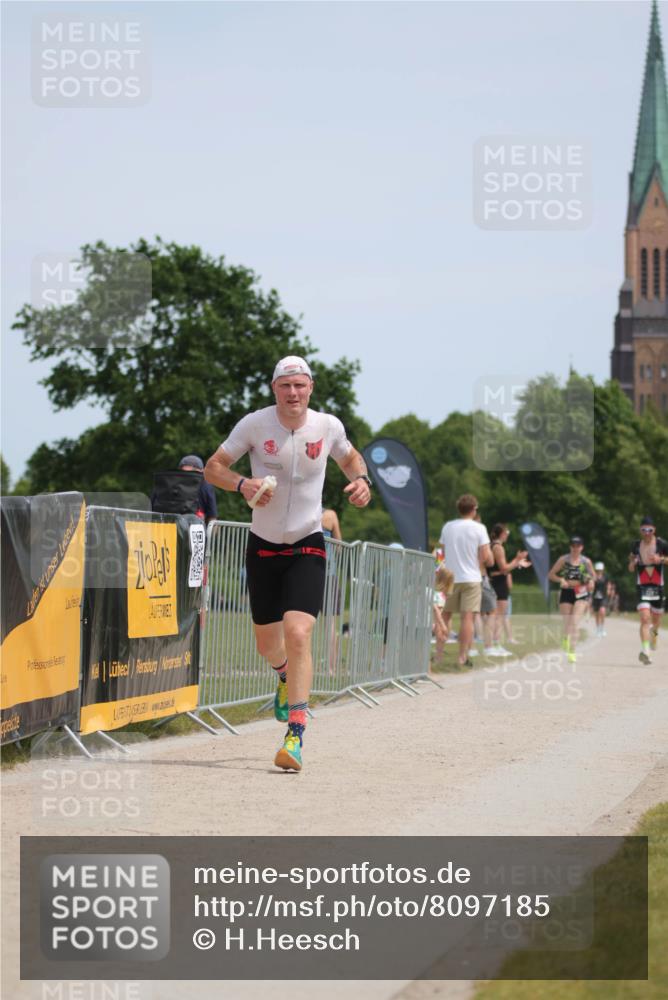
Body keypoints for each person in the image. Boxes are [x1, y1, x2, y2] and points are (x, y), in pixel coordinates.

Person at [204, 356, 371, 771]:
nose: (293, 393)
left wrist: (361, 481)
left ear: (310, 387)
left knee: (298, 633)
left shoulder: (327, 426)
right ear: (274, 389)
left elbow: (351, 459)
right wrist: (243, 483)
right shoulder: (254, 425)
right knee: (267, 644)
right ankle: (282, 675)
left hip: (307, 542)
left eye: (300, 385)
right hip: (262, 545)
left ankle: (295, 734)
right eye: (285, 386)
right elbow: (213, 468)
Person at [439, 494, 493, 667]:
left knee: (444, 616)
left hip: (450, 577)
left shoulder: (448, 526)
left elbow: (442, 553)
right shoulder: (479, 528)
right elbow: (486, 556)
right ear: (474, 509)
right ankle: (462, 657)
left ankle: (438, 655)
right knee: (467, 619)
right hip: (471, 578)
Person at [548, 536, 595, 664]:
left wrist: (590, 581)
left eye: (578, 546)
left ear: (582, 547)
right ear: (570, 547)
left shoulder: (586, 561)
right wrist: (561, 580)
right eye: (573, 546)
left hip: (581, 592)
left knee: (574, 622)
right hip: (567, 591)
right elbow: (551, 574)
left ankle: (572, 651)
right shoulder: (563, 560)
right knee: (567, 622)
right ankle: (565, 638)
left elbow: (593, 576)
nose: (575, 548)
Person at [628, 516, 668, 664]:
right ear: (640, 530)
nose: (646, 532)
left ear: (654, 530)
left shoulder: (662, 544)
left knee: (656, 621)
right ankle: (645, 651)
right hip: (642, 586)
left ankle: (654, 635)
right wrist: (633, 563)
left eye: (649, 530)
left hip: (658, 587)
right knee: (645, 618)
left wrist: (662, 560)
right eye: (643, 530)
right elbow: (631, 566)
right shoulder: (635, 545)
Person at [488, 523, 530, 657]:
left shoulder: (490, 545)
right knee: (499, 616)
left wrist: (517, 563)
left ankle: (493, 645)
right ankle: (496, 645)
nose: (507, 535)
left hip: (493, 582)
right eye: (507, 533)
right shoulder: (498, 547)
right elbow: (504, 568)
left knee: (494, 615)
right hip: (499, 584)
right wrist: (517, 560)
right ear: (502, 533)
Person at [151, 454, 218, 523]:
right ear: (202, 471)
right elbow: (212, 516)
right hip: (193, 530)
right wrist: (209, 533)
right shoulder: (206, 485)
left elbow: (151, 509)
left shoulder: (164, 482)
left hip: (162, 529)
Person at [592, 562, 609, 637]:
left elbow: (608, 584)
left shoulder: (605, 577)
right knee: (597, 614)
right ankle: (598, 629)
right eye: (598, 570)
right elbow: (591, 586)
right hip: (595, 597)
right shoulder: (593, 577)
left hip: (603, 597)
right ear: (596, 570)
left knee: (602, 611)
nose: (599, 571)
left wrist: (608, 590)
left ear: (602, 570)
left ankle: (602, 628)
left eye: (600, 570)